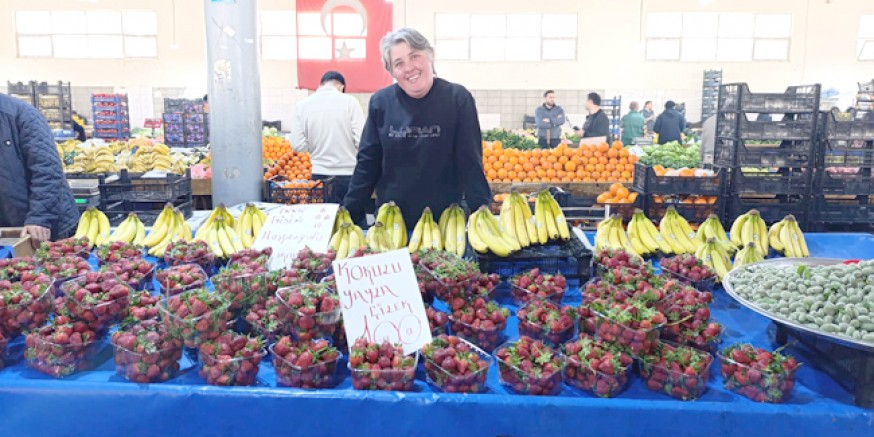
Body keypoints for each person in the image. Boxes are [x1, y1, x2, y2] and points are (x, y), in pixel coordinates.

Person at [343, 28, 491, 229]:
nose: (409, 68)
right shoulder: (381, 102)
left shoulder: (457, 98)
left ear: (430, 55)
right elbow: (368, 162)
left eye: (415, 56)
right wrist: (348, 214)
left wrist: (482, 213)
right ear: (392, 71)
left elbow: (470, 162)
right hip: (392, 220)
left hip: (445, 221)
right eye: (399, 63)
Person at [0, 93, 79, 247]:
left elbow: (47, 170)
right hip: (8, 230)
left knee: (52, 268)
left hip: (44, 226)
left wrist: (40, 218)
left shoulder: (21, 114)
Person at [291, 71, 365, 204]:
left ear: (321, 84)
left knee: (323, 221)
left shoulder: (302, 106)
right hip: (348, 175)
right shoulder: (350, 102)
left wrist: (316, 147)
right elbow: (362, 141)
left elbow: (297, 145)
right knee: (350, 221)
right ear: (341, 87)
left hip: (319, 175)